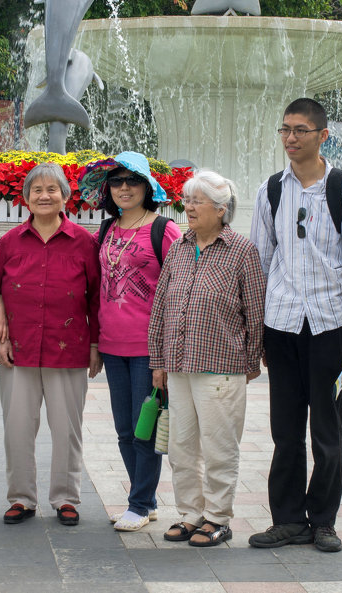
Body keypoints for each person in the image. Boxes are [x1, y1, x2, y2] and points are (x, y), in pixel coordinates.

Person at [248, 98, 342, 554]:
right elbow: (261, 261)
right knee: (285, 430)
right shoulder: (272, 190)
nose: (290, 138)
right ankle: (287, 521)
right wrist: (258, 329)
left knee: (326, 430)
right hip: (281, 326)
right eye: (285, 129)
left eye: (300, 130)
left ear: (323, 135)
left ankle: (323, 520)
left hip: (329, 328)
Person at [150, 170, 265, 547]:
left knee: (219, 447)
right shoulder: (179, 247)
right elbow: (161, 306)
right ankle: (190, 514)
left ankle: (217, 517)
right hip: (179, 365)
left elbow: (255, 311)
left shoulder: (242, 250)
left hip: (222, 366)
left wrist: (250, 363)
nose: (189, 207)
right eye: (187, 200)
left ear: (221, 209)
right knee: (182, 447)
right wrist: (158, 361)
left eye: (197, 201)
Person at [0, 162, 101, 527]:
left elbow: (97, 297)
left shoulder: (84, 242)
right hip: (18, 349)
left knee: (67, 429)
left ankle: (65, 497)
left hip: (67, 349)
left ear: (66, 196)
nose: (44, 196)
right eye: (36, 190)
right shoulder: (9, 242)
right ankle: (21, 497)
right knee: (18, 427)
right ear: (25, 198)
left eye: (52, 189)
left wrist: (96, 345)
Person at [76, 152, 181, 532]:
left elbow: (177, 292)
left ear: (147, 187)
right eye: (117, 181)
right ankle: (146, 499)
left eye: (132, 181)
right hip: (112, 345)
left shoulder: (163, 229)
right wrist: (93, 344)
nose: (124, 188)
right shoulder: (105, 231)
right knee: (124, 430)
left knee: (145, 428)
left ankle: (137, 504)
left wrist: (166, 354)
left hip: (148, 348)